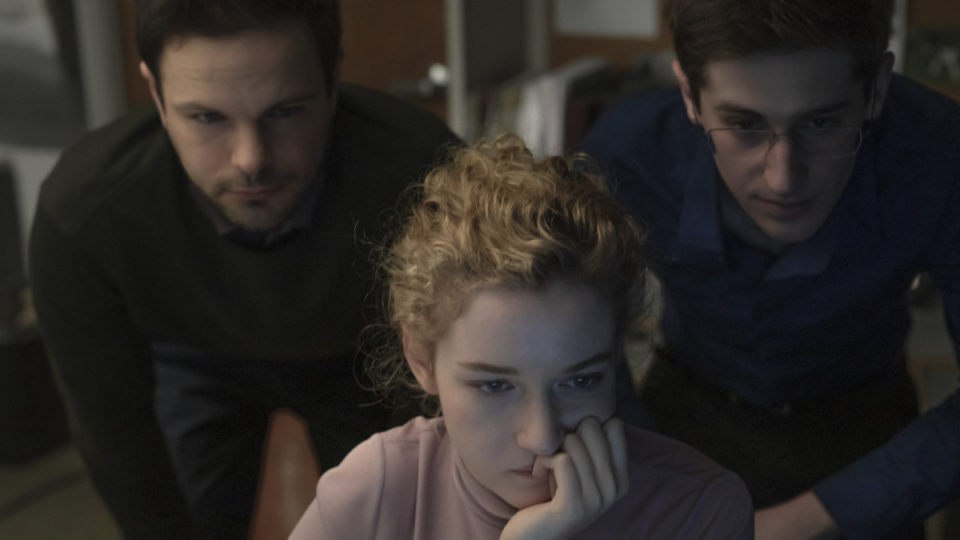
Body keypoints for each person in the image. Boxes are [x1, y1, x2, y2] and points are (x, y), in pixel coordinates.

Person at [28, 1, 459, 538]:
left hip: (362, 355)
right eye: (206, 117)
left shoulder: (427, 176)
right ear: (156, 95)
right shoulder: (85, 215)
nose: (251, 159)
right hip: (195, 354)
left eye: (285, 111)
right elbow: (112, 430)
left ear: (332, 80)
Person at [582, 0, 960, 538]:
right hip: (684, 422)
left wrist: (802, 523)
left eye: (822, 123)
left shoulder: (939, 151)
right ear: (690, 95)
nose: (784, 180)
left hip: (871, 442)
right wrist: (644, 475)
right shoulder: (628, 152)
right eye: (744, 124)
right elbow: (580, 348)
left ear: (876, 89)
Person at [288, 134, 754, 540]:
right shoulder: (375, 492)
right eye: (494, 386)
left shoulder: (698, 510)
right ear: (421, 360)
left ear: (615, 356)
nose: (543, 437)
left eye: (580, 381)